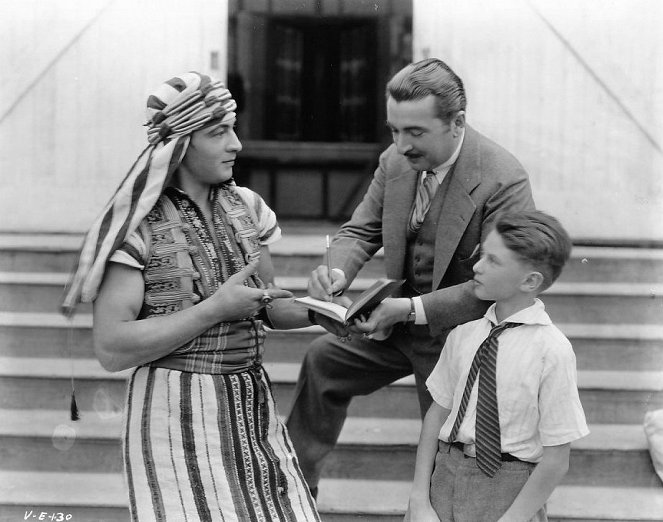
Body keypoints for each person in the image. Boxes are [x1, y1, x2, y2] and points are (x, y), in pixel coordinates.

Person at [61, 72, 320, 521]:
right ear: (178, 144)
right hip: (172, 414)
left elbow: (269, 307)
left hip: (251, 405)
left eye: (233, 128)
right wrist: (215, 309)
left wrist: (323, 309)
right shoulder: (138, 228)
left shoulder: (248, 207)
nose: (236, 144)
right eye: (218, 132)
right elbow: (110, 347)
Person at [286, 58, 536, 495]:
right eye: (394, 130)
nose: (400, 146)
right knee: (324, 360)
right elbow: (360, 230)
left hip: (468, 339)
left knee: (449, 457)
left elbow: (503, 282)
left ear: (457, 123)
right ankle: (293, 491)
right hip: (399, 328)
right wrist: (335, 271)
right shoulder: (395, 160)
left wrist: (411, 309)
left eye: (415, 132)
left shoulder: (503, 177)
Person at [406, 210, 589, 521]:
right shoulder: (464, 335)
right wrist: (419, 501)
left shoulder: (551, 351)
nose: (477, 266)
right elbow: (436, 416)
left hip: (509, 491)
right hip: (443, 481)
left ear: (530, 281)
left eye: (493, 261)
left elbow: (557, 459)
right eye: (482, 255)